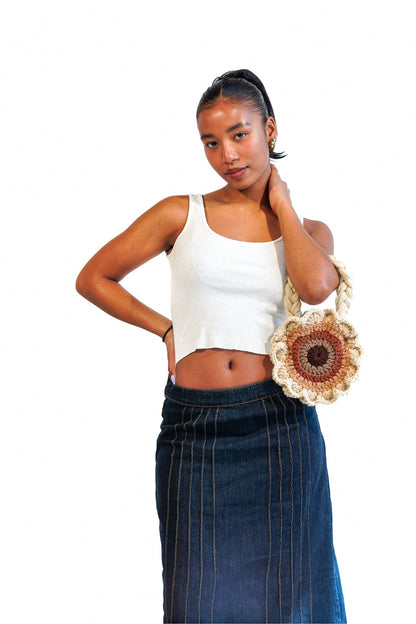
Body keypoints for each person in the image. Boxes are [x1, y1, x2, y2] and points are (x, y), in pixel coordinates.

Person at [76, 69, 347, 623]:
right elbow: (94, 278)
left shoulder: (309, 229)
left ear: (269, 129)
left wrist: (283, 203)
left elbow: (318, 287)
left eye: (240, 134)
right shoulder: (181, 212)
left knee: (291, 593)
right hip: (193, 429)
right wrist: (167, 329)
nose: (226, 153)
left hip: (279, 424)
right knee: (194, 594)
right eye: (210, 141)